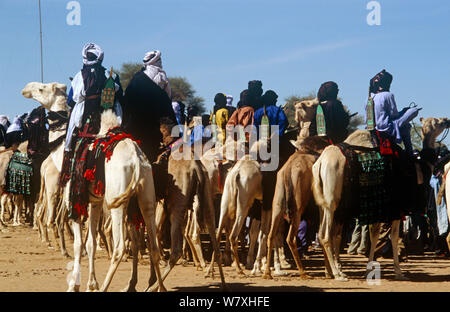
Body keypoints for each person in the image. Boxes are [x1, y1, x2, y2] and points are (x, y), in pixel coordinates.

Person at [64, 43, 123, 152]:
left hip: (84, 115)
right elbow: (120, 95)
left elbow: (71, 101)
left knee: (70, 129)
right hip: (108, 113)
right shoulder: (111, 75)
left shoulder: (78, 77)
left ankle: (69, 151)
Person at [123, 50, 177, 163]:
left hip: (136, 121)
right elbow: (167, 97)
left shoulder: (137, 77)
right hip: (156, 121)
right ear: (157, 61)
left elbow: (128, 98)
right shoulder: (162, 76)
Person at [368, 69, 420, 155]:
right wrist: (404, 113)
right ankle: (410, 153)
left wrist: (402, 111)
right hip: (386, 128)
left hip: (373, 129)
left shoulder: (368, 98)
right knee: (413, 112)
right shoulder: (388, 95)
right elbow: (394, 115)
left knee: (405, 124)